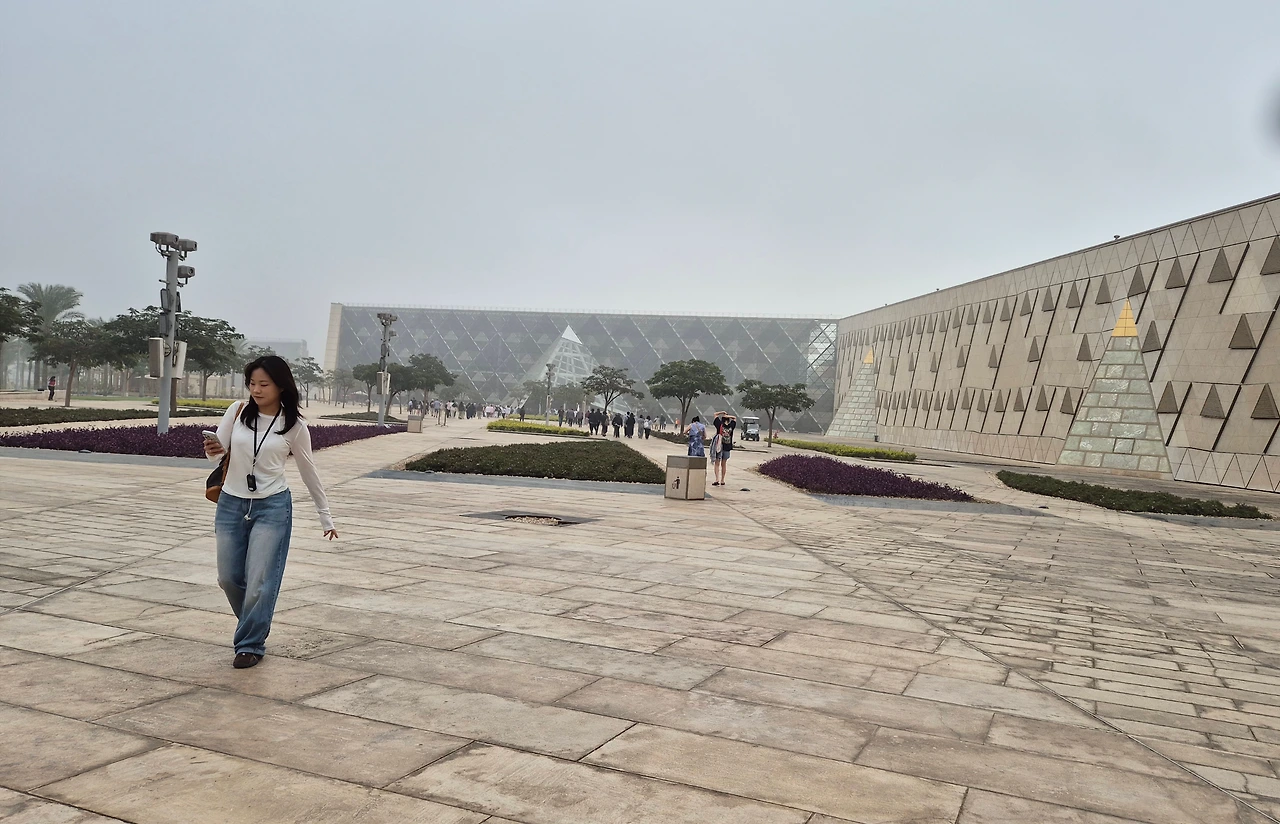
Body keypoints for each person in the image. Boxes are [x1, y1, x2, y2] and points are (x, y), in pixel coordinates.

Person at [203, 355, 337, 669]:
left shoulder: (294, 426)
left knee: (260, 581)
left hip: (272, 507)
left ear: (281, 386)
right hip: (230, 503)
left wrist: (325, 515)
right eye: (252, 383)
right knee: (228, 578)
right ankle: (255, 621)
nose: (256, 390)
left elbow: (309, 471)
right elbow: (217, 455)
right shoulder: (237, 412)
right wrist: (213, 450)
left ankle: (249, 644)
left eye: (264, 384)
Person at [711, 411, 737, 487]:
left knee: (717, 463)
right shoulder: (731, 425)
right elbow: (734, 418)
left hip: (719, 446)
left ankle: (717, 479)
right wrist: (728, 416)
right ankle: (722, 480)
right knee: (724, 464)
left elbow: (715, 414)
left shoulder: (719, 424)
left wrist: (722, 412)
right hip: (727, 446)